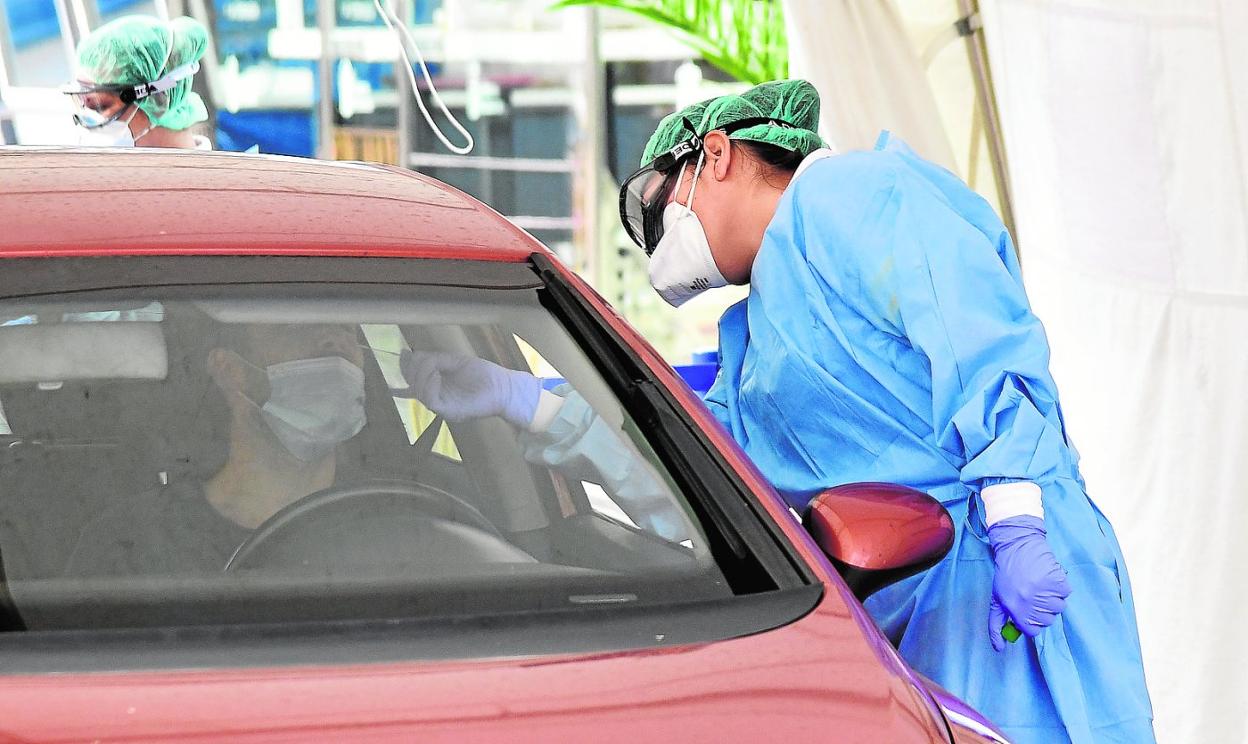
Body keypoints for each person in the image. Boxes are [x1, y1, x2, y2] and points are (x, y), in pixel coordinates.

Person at [401, 80, 1154, 744]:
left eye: (660, 209)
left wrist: (1016, 515)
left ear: (718, 155)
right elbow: (694, 451)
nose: (660, 243)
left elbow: (981, 341)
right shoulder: (760, 330)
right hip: (903, 598)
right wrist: (523, 399)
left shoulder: (855, 195)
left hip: (1007, 572)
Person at [66, 323, 367, 575]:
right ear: (230, 370)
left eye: (345, 327)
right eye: (295, 329)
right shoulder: (130, 543)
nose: (333, 338)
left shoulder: (397, 514)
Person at [61, 15, 211, 150]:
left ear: (158, 99)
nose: (89, 121)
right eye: (82, 103)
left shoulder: (218, 179)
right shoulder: (114, 177)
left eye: (101, 106)